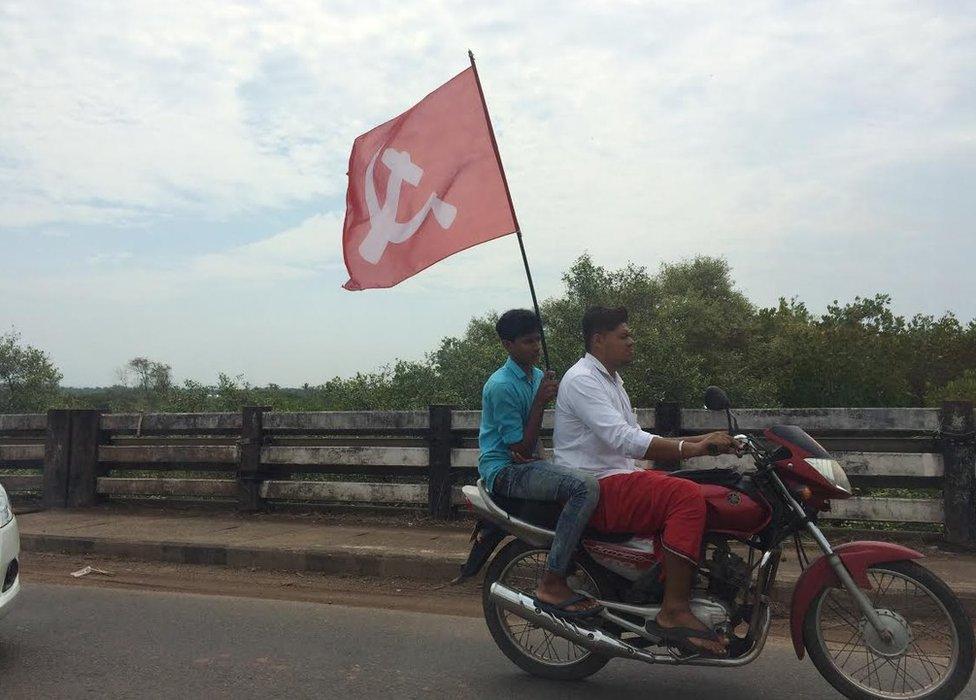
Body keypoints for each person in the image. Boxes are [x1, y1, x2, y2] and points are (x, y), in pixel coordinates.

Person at [553, 306, 738, 655]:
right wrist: (693, 447)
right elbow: (624, 438)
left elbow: (634, 435)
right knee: (685, 496)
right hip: (598, 486)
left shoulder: (611, 380)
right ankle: (674, 610)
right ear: (598, 340)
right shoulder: (581, 380)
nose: (631, 342)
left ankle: (671, 584)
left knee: (706, 489)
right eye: (623, 336)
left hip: (621, 475)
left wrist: (697, 446)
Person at [479, 309, 602, 617]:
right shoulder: (501, 385)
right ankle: (554, 578)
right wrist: (539, 402)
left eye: (538, 340)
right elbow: (518, 448)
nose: (535, 347)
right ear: (508, 345)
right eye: (526, 342)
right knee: (584, 488)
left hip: (531, 462)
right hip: (505, 470)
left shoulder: (537, 376)